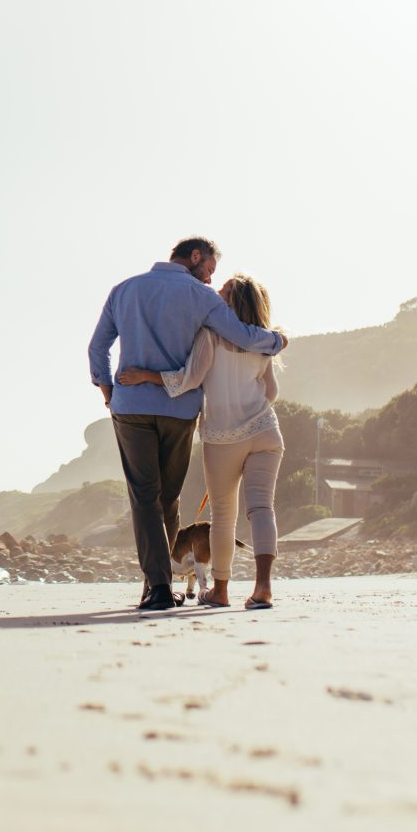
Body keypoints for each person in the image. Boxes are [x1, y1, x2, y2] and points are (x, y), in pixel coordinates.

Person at [88, 238, 287, 611]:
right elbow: (246, 339)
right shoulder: (203, 298)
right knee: (172, 498)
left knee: (146, 497)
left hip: (135, 408)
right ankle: (254, 586)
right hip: (185, 413)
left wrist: (109, 393)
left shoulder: (123, 290)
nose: (211, 280)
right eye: (210, 270)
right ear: (195, 257)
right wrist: (276, 340)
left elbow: (98, 348)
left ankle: (159, 586)